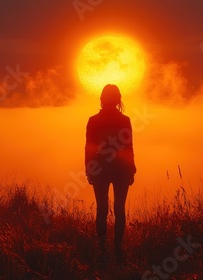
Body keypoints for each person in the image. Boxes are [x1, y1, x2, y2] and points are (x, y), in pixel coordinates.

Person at [85, 84, 136, 260]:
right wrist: (132, 168)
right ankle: (117, 248)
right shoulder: (124, 120)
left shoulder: (93, 120)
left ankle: (102, 249)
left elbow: (89, 147)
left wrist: (88, 168)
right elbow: (129, 147)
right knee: (119, 208)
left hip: (99, 168)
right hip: (121, 168)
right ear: (118, 99)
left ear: (102, 98)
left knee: (102, 209)